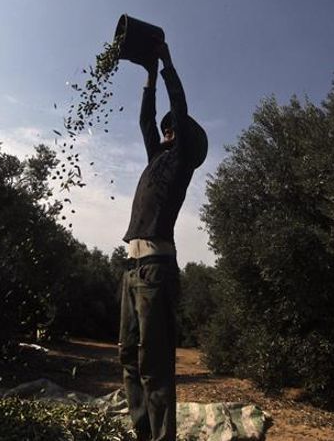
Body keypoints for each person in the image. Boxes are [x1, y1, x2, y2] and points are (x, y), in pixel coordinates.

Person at [118, 42, 207, 441]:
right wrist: (148, 77)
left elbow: (180, 109)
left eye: (174, 127)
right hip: (132, 268)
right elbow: (145, 122)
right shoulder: (157, 158)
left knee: (154, 365)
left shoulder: (181, 160)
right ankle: (143, 434)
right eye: (167, 126)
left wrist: (168, 63)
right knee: (128, 357)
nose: (167, 129)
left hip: (155, 269)